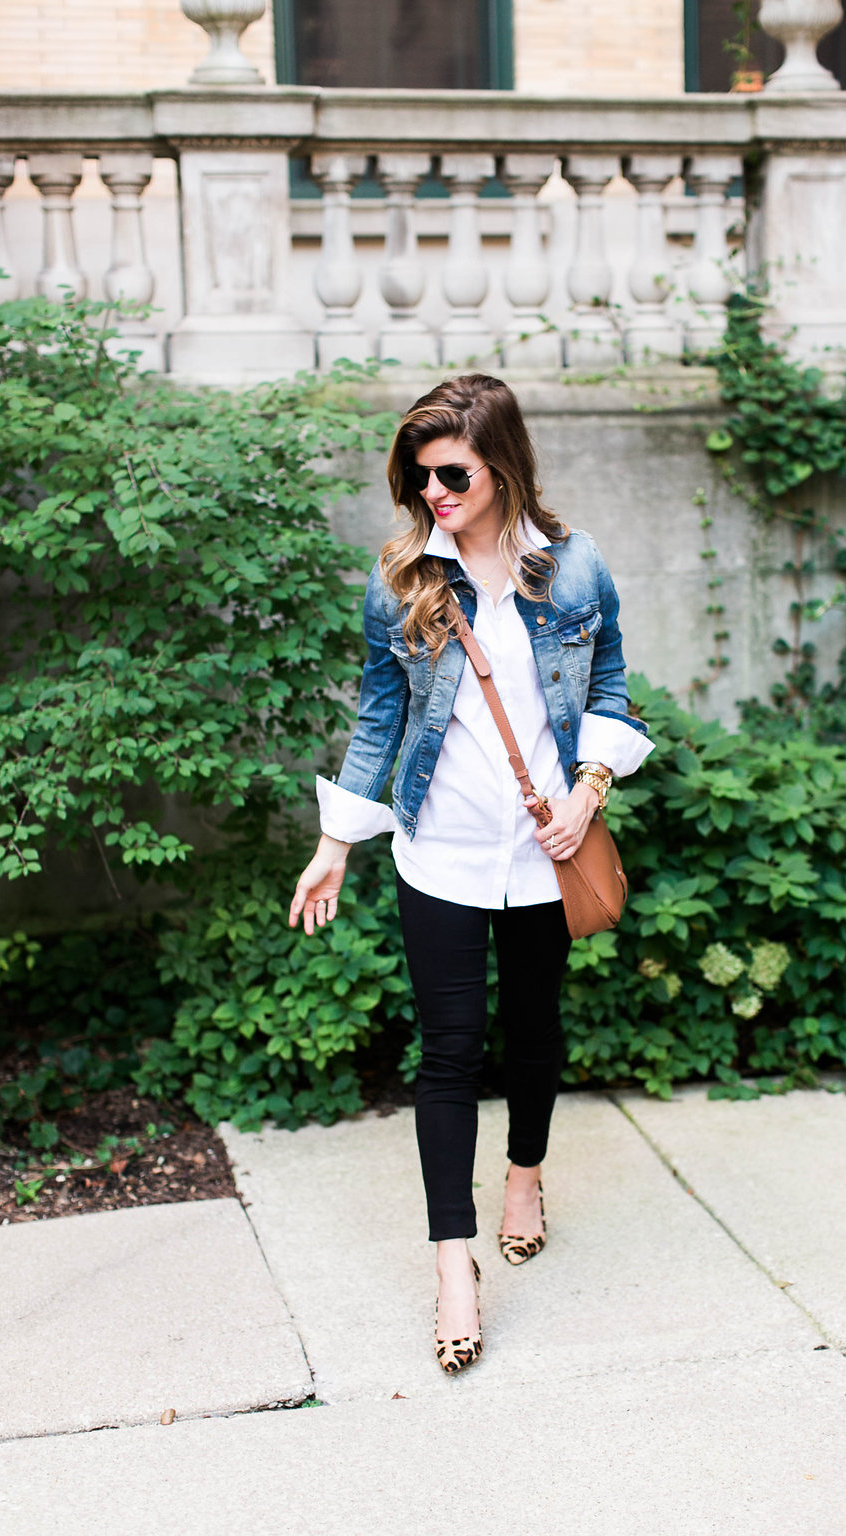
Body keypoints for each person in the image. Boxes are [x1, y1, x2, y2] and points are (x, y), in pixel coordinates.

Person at [288, 374, 652, 1373]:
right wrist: (335, 845)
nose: (433, 492)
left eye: (451, 473)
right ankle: (454, 1265)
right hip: (439, 852)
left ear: (503, 465)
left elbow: (612, 685)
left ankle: (524, 1177)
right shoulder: (403, 578)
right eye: (419, 476)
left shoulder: (574, 571)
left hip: (547, 852)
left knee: (533, 1032)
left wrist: (588, 793)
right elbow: (377, 719)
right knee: (448, 1053)